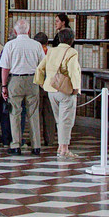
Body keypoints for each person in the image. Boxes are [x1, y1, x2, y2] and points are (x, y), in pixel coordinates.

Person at [0, 19, 46, 155]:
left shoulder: (10, 45)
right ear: (29, 31)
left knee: (15, 113)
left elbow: (5, 68)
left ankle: (16, 145)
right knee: (33, 113)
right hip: (33, 80)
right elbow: (43, 64)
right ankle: (36, 145)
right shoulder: (36, 45)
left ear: (15, 31)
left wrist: (4, 86)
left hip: (15, 80)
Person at [36, 28, 83, 158]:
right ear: (71, 40)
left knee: (58, 119)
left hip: (51, 89)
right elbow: (73, 71)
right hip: (65, 90)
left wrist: (41, 83)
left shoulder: (51, 51)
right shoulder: (71, 52)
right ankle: (64, 149)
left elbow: (40, 68)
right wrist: (76, 88)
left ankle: (60, 147)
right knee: (66, 120)